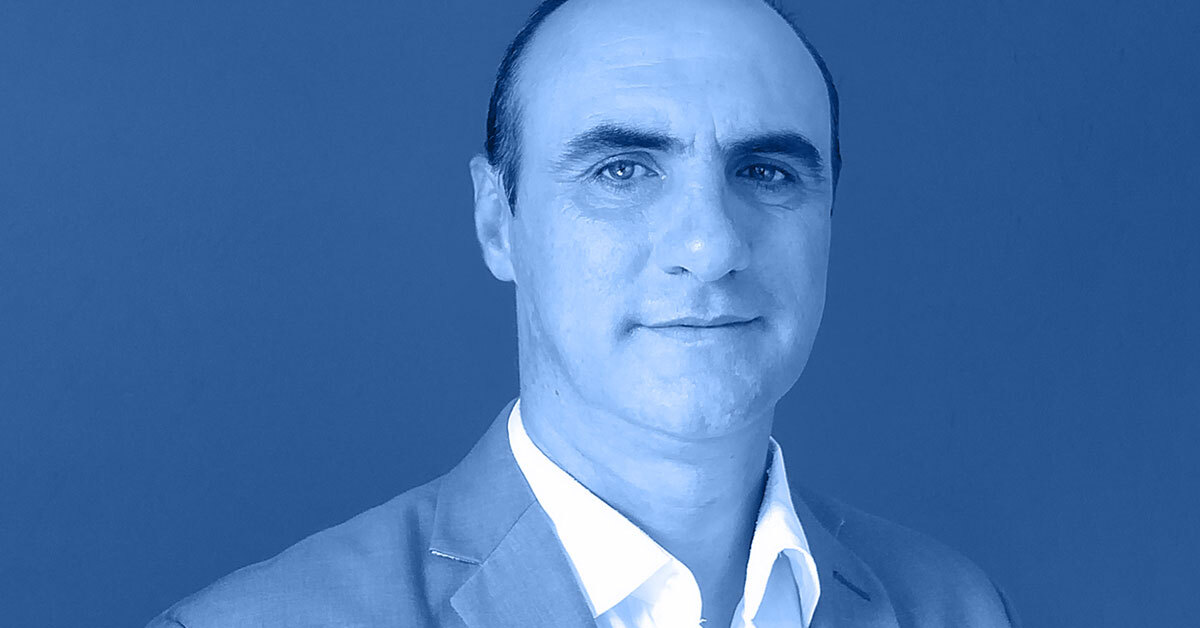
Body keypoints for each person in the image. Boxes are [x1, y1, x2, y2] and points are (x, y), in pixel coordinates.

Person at [148, 0, 1019, 626]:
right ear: (498, 221)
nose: (710, 244)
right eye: (622, 170)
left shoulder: (953, 606)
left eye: (766, 172)